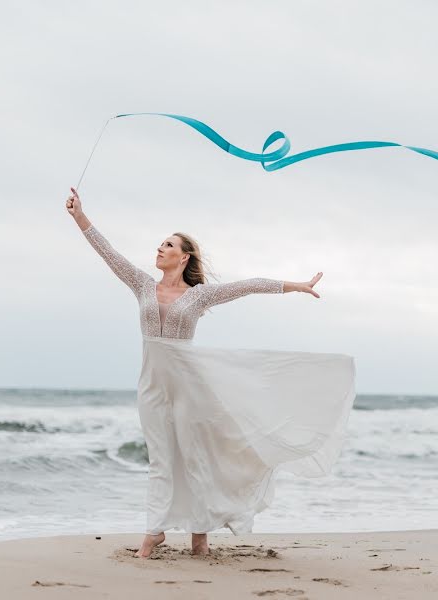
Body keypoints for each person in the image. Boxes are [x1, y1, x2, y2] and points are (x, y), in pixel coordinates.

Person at [65, 187, 356, 559]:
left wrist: (295, 286)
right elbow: (108, 252)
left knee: (195, 458)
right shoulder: (142, 284)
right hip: (152, 387)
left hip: (190, 388)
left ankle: (199, 536)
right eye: (160, 244)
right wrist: (79, 217)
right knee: (160, 459)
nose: (159, 249)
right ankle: (155, 531)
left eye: (167, 245)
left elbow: (248, 285)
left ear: (183, 257)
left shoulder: (199, 296)